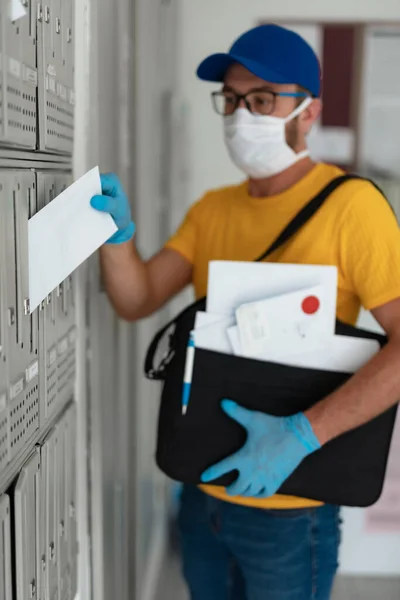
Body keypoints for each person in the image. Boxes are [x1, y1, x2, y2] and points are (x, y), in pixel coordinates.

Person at [91, 23, 400, 600]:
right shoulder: (213, 210)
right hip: (204, 493)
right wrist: (115, 238)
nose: (241, 114)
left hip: (291, 513)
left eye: (261, 99)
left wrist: (302, 435)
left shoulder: (353, 209)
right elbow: (137, 300)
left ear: (309, 112)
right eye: (231, 100)